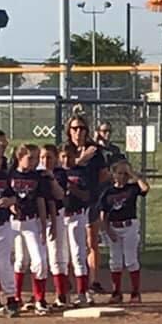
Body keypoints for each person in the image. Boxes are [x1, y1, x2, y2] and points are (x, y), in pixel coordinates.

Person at [66, 116, 109, 294]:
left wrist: (93, 190)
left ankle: (93, 280)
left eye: (82, 128)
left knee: (91, 242)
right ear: (69, 131)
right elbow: (62, 167)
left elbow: (104, 175)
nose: (78, 132)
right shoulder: (66, 149)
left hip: (89, 200)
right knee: (69, 243)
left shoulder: (95, 151)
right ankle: (68, 279)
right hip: (69, 202)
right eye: (75, 128)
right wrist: (80, 160)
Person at [100, 159, 150, 305]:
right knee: (115, 261)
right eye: (119, 173)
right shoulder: (108, 192)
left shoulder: (132, 188)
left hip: (129, 226)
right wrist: (108, 230)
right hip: (113, 227)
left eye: (125, 174)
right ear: (113, 174)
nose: (123, 176)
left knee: (130, 260)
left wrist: (134, 174)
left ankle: (135, 293)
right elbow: (103, 214)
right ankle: (116, 292)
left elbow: (145, 189)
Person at [11, 143, 50, 314]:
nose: (34, 161)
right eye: (30, 157)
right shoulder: (9, 175)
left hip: (30, 222)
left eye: (36, 157)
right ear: (20, 157)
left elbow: (41, 200)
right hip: (11, 222)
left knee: (40, 260)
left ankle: (40, 299)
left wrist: (43, 224)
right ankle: (16, 297)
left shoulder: (37, 177)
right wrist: (10, 206)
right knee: (19, 261)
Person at [60, 145, 93, 306]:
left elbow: (86, 195)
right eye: (64, 156)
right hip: (60, 217)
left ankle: (82, 293)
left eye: (70, 156)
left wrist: (73, 188)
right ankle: (63, 293)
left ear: (76, 156)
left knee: (78, 255)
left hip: (76, 216)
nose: (67, 160)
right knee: (62, 257)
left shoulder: (81, 173)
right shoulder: (56, 173)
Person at [39, 144, 71, 308]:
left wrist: (50, 177)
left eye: (49, 157)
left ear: (56, 158)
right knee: (35, 259)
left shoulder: (59, 174)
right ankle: (38, 298)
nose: (45, 161)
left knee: (57, 255)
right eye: (42, 157)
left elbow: (60, 195)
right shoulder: (34, 174)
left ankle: (61, 296)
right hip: (36, 217)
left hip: (55, 216)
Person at [0, 156, 17, 317]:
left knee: (3, 263)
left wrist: (9, 200)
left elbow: (14, 197)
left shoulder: (4, 177)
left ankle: (11, 298)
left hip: (2, 225)